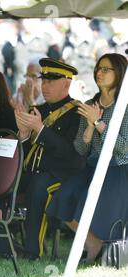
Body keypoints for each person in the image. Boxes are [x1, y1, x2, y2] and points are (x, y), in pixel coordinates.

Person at [47, 53, 128, 263]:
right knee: (63, 198)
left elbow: (124, 148)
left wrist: (99, 123)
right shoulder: (90, 103)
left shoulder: (125, 106)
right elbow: (81, 149)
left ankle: (97, 248)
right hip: (92, 165)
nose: (99, 73)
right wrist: (90, 129)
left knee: (85, 202)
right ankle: (93, 243)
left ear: (119, 73)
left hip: (117, 168)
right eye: (98, 68)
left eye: (106, 69)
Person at [14, 57, 85, 260]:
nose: (45, 86)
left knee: (39, 186)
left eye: (51, 81)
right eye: (43, 81)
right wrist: (24, 135)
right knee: (3, 183)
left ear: (67, 82)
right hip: (33, 171)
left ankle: (32, 251)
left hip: (62, 173)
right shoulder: (39, 110)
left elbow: (73, 154)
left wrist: (41, 129)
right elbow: (25, 152)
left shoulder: (77, 113)